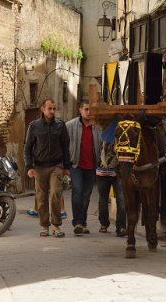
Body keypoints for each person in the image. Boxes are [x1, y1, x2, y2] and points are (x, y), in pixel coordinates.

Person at [24, 98, 71, 237]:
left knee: (56, 193)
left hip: (56, 166)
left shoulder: (60, 126)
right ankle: (45, 225)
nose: (52, 111)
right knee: (41, 197)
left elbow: (65, 147)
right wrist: (29, 167)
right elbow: (27, 148)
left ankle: (56, 225)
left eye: (54, 109)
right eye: (49, 108)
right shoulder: (34, 126)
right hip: (39, 167)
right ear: (42, 109)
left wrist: (66, 167)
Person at [66, 100, 101, 235]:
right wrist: (65, 164)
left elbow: (103, 143)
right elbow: (64, 145)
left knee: (86, 195)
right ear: (80, 110)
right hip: (76, 164)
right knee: (77, 191)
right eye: (86, 109)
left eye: (90, 109)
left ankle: (83, 222)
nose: (88, 112)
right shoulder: (70, 126)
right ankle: (77, 222)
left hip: (91, 166)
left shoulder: (97, 126)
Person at [97, 140, 127, 237]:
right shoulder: (102, 134)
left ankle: (121, 226)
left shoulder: (123, 135)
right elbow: (95, 149)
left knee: (121, 199)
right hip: (103, 173)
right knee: (103, 199)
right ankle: (104, 223)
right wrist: (99, 160)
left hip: (119, 173)